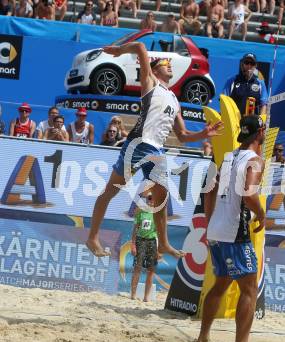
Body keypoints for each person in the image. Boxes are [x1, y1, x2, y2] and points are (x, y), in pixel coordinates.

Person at [86, 42, 223, 258]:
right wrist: (120, 51)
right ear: (155, 69)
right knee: (110, 192)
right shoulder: (149, 83)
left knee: (162, 196)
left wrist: (204, 134)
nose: (169, 66)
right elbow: (140, 47)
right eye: (165, 63)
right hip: (138, 144)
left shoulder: (174, 99)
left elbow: (183, 136)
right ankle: (92, 237)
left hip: (157, 150)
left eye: (170, 64)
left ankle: (163, 244)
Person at [194, 115, 266, 342]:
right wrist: (263, 215)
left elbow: (209, 191)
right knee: (249, 289)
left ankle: (203, 339)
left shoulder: (228, 157)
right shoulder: (254, 159)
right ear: (259, 134)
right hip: (235, 231)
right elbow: (249, 194)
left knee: (221, 284)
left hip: (217, 229)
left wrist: (210, 221)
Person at [130, 193, 159, 302]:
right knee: (137, 267)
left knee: (151, 269)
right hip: (140, 240)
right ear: (146, 199)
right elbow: (135, 229)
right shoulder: (140, 210)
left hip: (152, 241)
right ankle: (133, 295)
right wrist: (133, 244)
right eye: (149, 198)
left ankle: (146, 297)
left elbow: (159, 232)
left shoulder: (158, 213)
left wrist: (159, 248)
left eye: (153, 198)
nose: (151, 200)